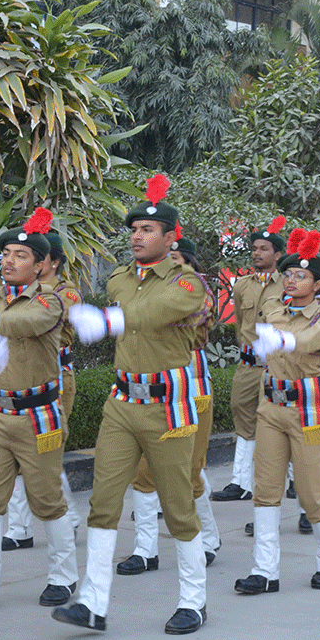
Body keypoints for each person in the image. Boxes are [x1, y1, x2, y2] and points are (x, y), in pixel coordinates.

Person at [52, 174, 209, 635]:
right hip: (122, 400)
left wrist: (110, 319)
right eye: (134, 229)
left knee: (179, 505)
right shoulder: (120, 279)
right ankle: (92, 602)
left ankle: (194, 601)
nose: (137, 236)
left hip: (168, 403)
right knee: (103, 502)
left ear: (169, 237)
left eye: (147, 230)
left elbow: (156, 312)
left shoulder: (187, 284)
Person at [0, 207, 78, 610]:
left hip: (38, 414)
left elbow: (19, 324)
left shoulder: (50, 302)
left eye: (20, 255)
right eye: (5, 253)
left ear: (41, 265)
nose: (8, 260)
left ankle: (64, 576)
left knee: (47, 500)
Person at [236, 229, 320, 594]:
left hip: (309, 408)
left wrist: (285, 339)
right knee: (265, 490)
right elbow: (265, 325)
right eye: (287, 274)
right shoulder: (273, 307)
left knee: (310, 492)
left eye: (300, 275)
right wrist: (280, 333)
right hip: (271, 406)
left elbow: (317, 341)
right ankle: (265, 570)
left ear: (317, 284)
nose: (290, 279)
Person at [118, 233, 220, 574]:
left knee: (189, 473)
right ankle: (145, 549)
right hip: (150, 393)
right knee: (143, 474)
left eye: (179, 262)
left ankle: (208, 538)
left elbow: (172, 318)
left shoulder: (199, 296)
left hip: (190, 393)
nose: (171, 268)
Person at [1, 227, 83, 563]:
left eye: (38, 255)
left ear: (52, 261)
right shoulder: (14, 291)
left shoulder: (66, 294)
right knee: (19, 455)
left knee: (46, 454)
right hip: (19, 377)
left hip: (55, 379)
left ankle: (66, 517)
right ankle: (19, 528)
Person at [212, 216, 286, 502]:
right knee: (241, 414)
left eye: (264, 249)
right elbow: (241, 323)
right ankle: (240, 482)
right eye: (254, 248)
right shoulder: (242, 284)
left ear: (277, 254)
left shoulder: (287, 284)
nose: (257, 253)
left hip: (276, 365)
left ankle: (290, 479)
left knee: (280, 419)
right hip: (248, 364)